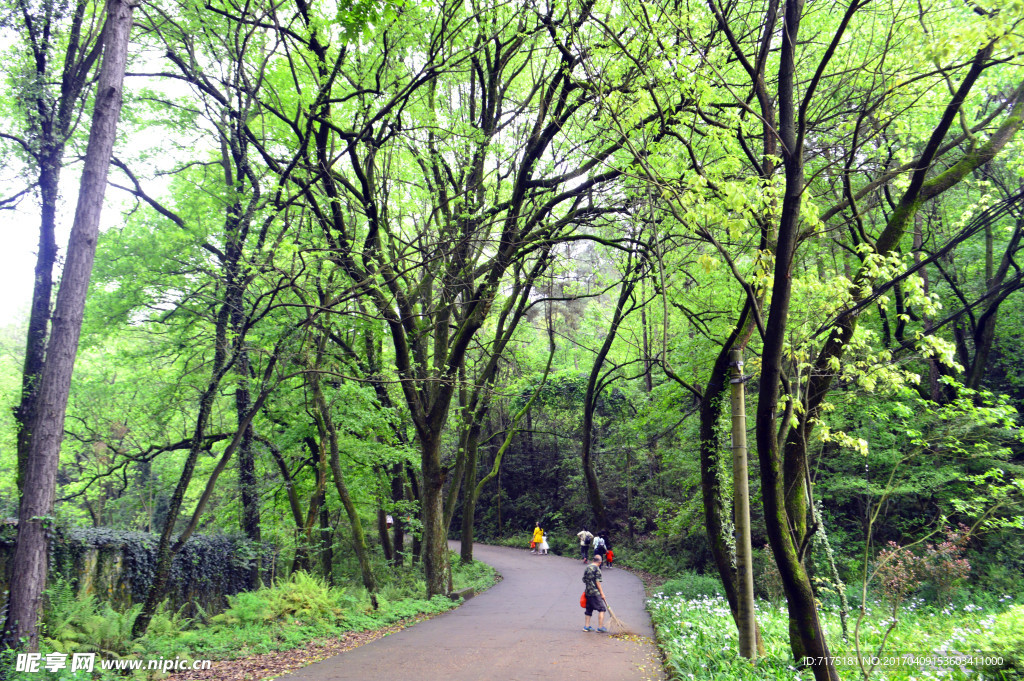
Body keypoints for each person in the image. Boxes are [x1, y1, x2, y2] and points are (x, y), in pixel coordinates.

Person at [582, 554, 608, 632]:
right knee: (602, 609)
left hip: (587, 592)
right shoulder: (597, 569)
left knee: (589, 609)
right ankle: (600, 627)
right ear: (600, 562)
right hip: (595, 592)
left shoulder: (587, 568)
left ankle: (586, 626)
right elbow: (598, 582)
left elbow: (584, 579)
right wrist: (602, 593)